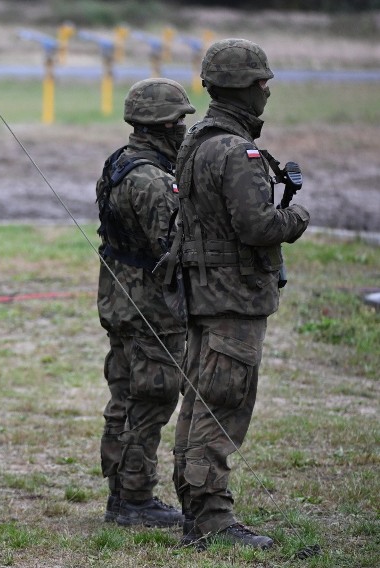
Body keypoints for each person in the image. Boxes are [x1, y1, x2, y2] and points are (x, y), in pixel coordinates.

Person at [169, 38, 310, 549]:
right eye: (262, 82)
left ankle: (195, 511)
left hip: (201, 296)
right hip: (234, 299)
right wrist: (297, 219)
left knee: (200, 402)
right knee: (222, 405)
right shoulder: (236, 150)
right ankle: (211, 521)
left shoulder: (196, 142)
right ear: (244, 88)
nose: (267, 92)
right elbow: (256, 225)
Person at [96, 78, 195, 527]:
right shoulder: (154, 180)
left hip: (120, 302)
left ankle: (122, 495)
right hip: (150, 309)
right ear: (162, 124)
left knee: (124, 396)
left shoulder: (121, 162)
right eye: (179, 120)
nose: (183, 128)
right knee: (150, 402)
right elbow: (175, 249)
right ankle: (134, 499)